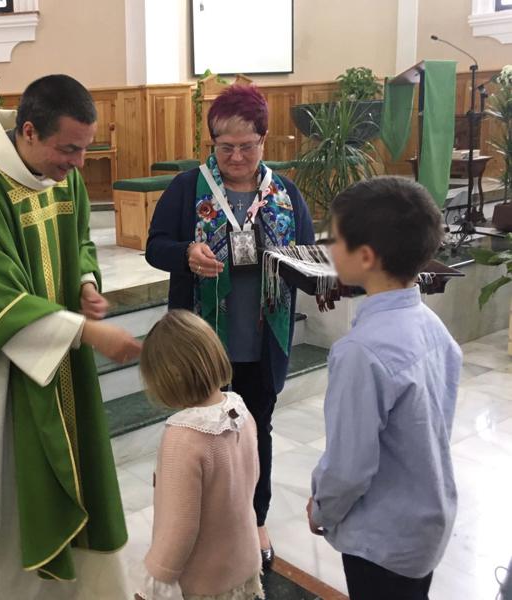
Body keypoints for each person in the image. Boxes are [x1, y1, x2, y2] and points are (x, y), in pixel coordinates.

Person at [0, 75, 142, 599]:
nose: (79, 163)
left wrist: (83, 281)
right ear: (29, 132)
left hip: (61, 359)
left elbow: (80, 237)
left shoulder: (65, 176)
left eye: (86, 149)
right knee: (8, 493)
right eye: (69, 149)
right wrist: (87, 332)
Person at [145, 84, 315, 568]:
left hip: (262, 340)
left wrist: (320, 279)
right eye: (225, 147)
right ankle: (191, 523)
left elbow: (306, 252)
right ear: (212, 143)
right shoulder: (187, 187)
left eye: (247, 145)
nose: (236, 156)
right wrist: (184, 253)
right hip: (201, 343)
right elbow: (155, 246)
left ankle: (254, 522)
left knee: (255, 431)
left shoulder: (284, 193)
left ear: (265, 140)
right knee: (196, 434)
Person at [307, 176, 460, 600]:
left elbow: (349, 466)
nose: (329, 247)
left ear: (366, 256)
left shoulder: (361, 351)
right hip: (425, 524)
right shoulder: (433, 326)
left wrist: (322, 508)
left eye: (334, 239)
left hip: (382, 538)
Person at [135, 310, 263, 600]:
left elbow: (180, 526)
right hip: (243, 562)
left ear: (167, 377)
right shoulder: (239, 411)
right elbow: (251, 480)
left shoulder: (183, 437)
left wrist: (154, 581)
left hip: (204, 581)